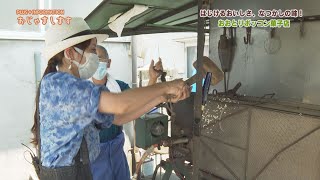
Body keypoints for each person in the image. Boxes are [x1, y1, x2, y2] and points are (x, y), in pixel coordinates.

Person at [30, 17, 190, 180]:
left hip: (82, 172)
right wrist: (166, 86)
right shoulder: (60, 85)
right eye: (92, 50)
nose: (95, 58)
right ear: (70, 53)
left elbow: (119, 118)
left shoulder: (77, 89)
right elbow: (121, 104)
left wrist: (161, 96)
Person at [90, 45, 163, 180]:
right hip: (94, 158)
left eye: (99, 59)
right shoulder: (82, 91)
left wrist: (152, 79)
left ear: (108, 63)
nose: (95, 63)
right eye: (92, 59)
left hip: (117, 152)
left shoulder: (120, 87)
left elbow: (141, 100)